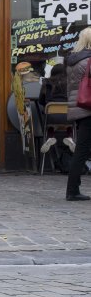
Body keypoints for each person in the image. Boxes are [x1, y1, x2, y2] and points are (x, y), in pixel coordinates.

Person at [65, 28, 91, 200]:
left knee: (81, 150)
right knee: (82, 150)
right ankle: (72, 191)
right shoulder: (89, 60)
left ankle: (72, 189)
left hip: (78, 108)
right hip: (89, 108)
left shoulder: (73, 61)